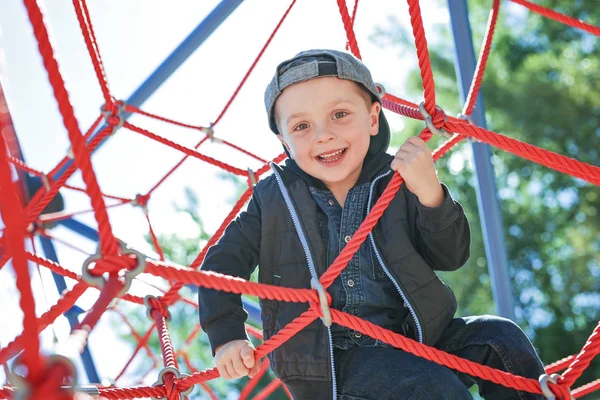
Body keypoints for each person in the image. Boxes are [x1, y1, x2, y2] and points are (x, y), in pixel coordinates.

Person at [198, 49, 545, 399]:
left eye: (340, 114)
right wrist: (226, 335)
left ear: (373, 118)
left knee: (501, 341)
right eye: (302, 126)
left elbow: (451, 256)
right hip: (336, 361)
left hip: (419, 336)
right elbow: (220, 266)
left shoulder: (397, 180)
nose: (324, 135)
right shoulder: (273, 199)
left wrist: (430, 192)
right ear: (284, 142)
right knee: (429, 386)